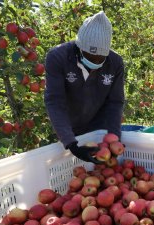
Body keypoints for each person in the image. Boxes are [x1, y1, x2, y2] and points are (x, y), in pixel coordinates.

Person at [44, 11, 125, 164]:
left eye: (100, 58)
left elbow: (115, 102)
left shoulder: (115, 63)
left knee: (97, 169)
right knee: (71, 166)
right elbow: (55, 101)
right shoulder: (58, 57)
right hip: (67, 126)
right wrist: (71, 143)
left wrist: (114, 139)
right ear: (79, 48)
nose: (95, 63)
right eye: (89, 56)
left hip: (98, 128)